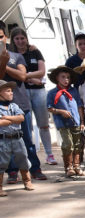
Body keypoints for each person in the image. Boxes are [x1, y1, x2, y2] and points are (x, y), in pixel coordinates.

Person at [0, 22, 46, 182]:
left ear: (5, 37)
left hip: (21, 102)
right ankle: (12, 172)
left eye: (0, 37)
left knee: (27, 139)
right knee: (5, 141)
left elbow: (22, 76)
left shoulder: (16, 56)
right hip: (1, 106)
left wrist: (4, 64)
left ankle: (35, 169)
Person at [9, 28, 55, 165]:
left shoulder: (34, 51)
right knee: (26, 127)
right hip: (20, 92)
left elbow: (41, 72)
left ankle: (49, 153)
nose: (20, 41)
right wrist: (29, 79)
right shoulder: (11, 54)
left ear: (26, 38)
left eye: (22, 38)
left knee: (44, 124)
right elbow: (11, 74)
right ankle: (28, 157)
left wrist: (25, 77)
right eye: (17, 39)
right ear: (13, 40)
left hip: (38, 90)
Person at [46, 66, 85, 177]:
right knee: (68, 144)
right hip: (63, 123)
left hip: (76, 122)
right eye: (63, 77)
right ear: (57, 78)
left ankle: (76, 166)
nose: (66, 80)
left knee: (78, 144)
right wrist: (60, 111)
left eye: (68, 77)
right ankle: (68, 167)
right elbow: (49, 108)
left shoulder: (74, 91)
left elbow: (79, 106)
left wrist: (82, 121)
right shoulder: (52, 93)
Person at [0, 80, 34, 195]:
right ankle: (0, 187)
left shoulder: (14, 105)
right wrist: (11, 119)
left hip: (17, 138)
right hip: (3, 139)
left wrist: (6, 118)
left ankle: (27, 181)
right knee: (2, 162)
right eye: (8, 91)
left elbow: (21, 118)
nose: (11, 93)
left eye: (11, 91)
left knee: (23, 158)